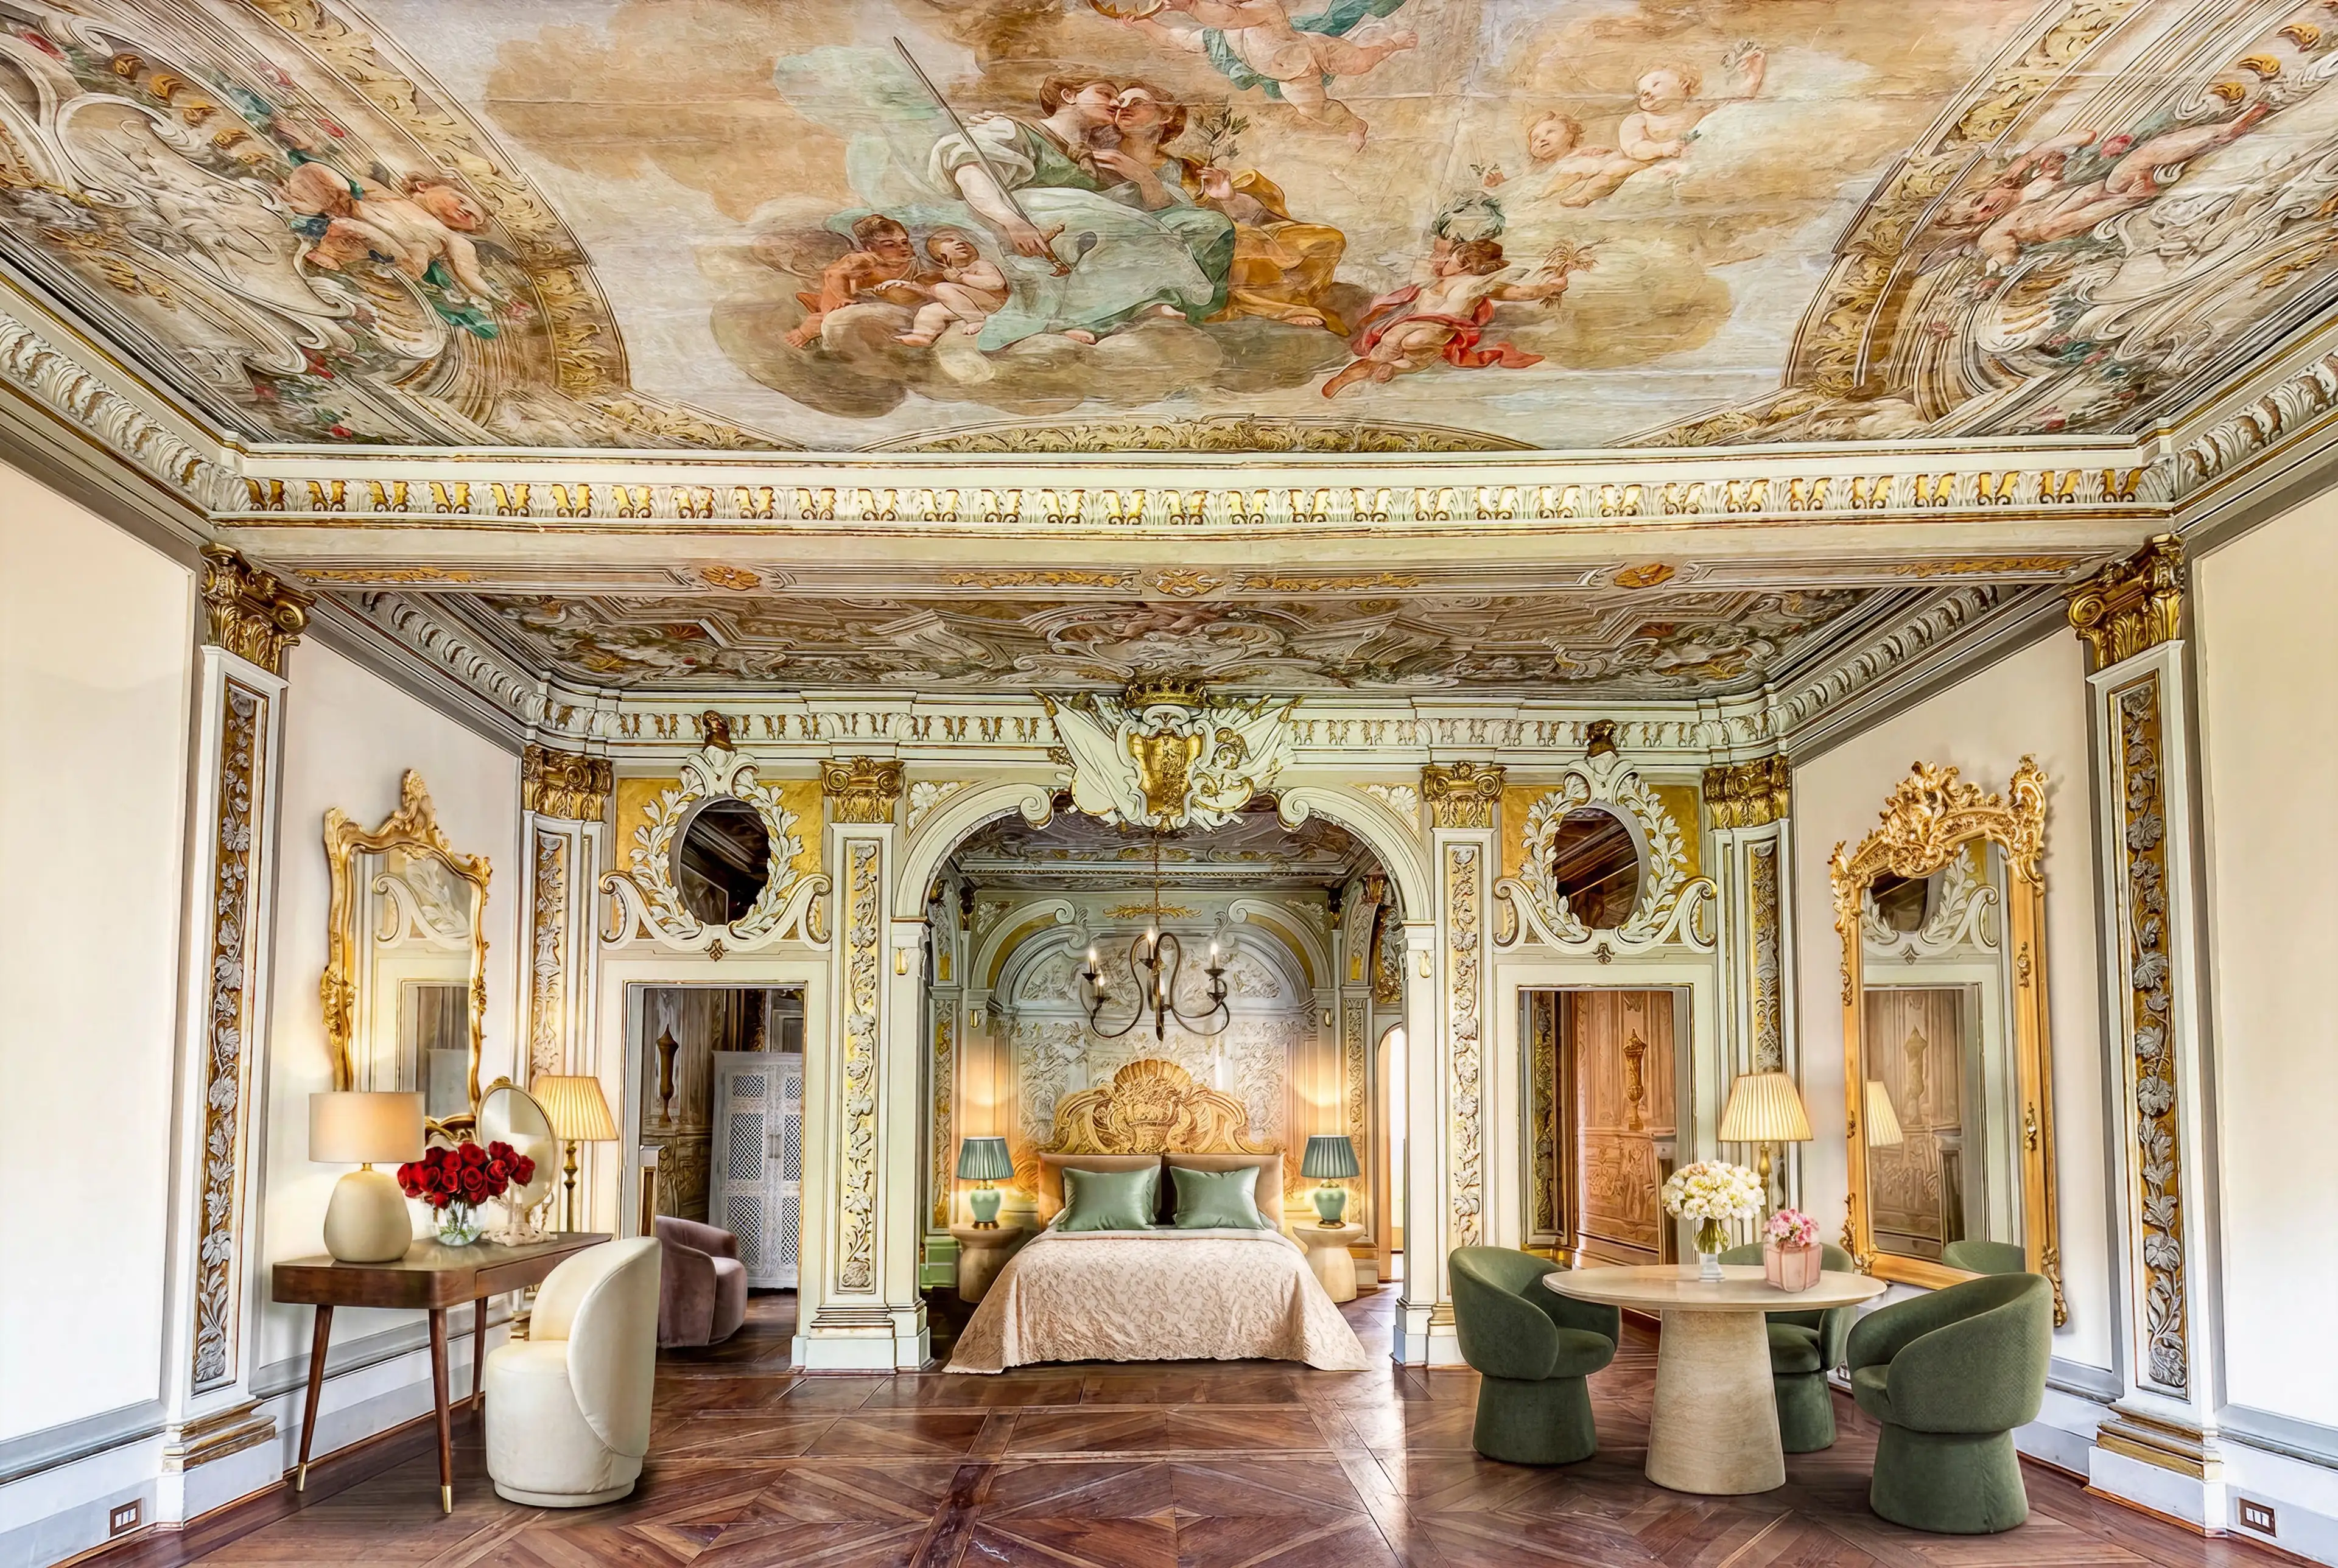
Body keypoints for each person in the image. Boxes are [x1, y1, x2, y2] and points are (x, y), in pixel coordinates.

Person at [928, 75, 1231, 348]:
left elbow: (1134, 198)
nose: (1116, 103)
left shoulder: (1095, 149)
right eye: (1105, 93)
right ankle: (1086, 320)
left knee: (1206, 225)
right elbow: (971, 170)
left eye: (1123, 100)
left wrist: (1145, 180)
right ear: (1069, 96)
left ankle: (1151, 304)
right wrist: (1011, 221)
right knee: (1119, 226)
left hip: (1092, 218)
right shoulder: (1017, 130)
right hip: (1039, 219)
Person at [1322, 237, 1571, 396]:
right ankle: (1396, 370)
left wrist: (1551, 286)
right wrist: (1553, 286)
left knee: (1378, 356)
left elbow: (1520, 292)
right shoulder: (1478, 285)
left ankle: (1340, 381)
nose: (1445, 264)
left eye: (1450, 261)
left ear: (1464, 266)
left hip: (1402, 327)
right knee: (1416, 359)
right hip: (1431, 332)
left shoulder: (1436, 283)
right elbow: (1521, 293)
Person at [787, 214, 929, 349]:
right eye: (890, 245)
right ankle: (806, 330)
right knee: (828, 320)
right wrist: (843, 298)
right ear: (871, 248)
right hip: (845, 300)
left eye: (905, 242)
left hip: (884, 303)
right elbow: (834, 274)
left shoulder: (912, 262)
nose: (903, 249)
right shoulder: (867, 260)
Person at [894, 228, 1009, 345]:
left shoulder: (979, 265)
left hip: (994, 302)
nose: (960, 242)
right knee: (929, 310)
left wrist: (962, 278)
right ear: (943, 257)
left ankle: (976, 320)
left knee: (941, 288)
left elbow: (996, 283)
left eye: (962, 240)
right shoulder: (949, 273)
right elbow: (942, 296)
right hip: (972, 306)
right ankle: (923, 336)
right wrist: (908, 286)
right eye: (950, 240)